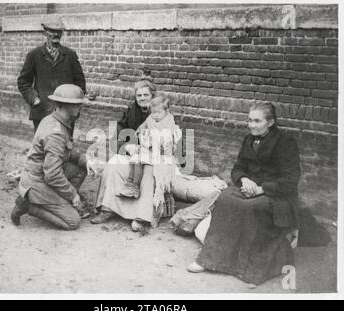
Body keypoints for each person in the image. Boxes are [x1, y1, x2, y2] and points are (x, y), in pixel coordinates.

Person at [187, 102, 301, 286]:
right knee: (224, 198)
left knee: (252, 207)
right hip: (250, 188)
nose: (252, 125)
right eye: (249, 120)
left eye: (257, 121)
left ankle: (252, 270)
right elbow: (238, 167)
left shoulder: (285, 143)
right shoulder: (249, 140)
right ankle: (210, 260)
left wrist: (262, 189)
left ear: (270, 122)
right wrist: (245, 180)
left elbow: (291, 178)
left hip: (277, 195)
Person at [10, 84, 95, 230]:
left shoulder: (56, 121)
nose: (80, 107)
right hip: (37, 182)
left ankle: (60, 202)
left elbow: (67, 151)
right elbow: (53, 175)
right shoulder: (55, 132)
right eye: (77, 105)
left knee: (81, 168)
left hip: (44, 173)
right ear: (66, 105)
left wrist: (85, 160)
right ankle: (28, 206)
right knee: (73, 221)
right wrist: (73, 195)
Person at [90, 79, 164, 231]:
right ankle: (107, 208)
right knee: (114, 164)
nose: (142, 98)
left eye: (146, 95)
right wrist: (127, 147)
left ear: (153, 96)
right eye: (139, 95)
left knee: (148, 169)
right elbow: (117, 138)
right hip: (133, 156)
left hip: (157, 158)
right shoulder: (130, 112)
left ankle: (141, 217)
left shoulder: (162, 112)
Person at [17, 16, 86, 132]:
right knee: (42, 144)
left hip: (66, 112)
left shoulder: (70, 55)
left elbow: (80, 82)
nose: (56, 34)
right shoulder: (34, 55)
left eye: (59, 31)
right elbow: (23, 82)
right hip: (42, 110)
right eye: (52, 31)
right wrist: (34, 99)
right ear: (45, 32)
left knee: (64, 144)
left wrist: (75, 102)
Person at [119, 96, 181, 206]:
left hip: (161, 152)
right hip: (150, 149)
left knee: (142, 162)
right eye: (153, 112)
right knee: (135, 161)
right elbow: (144, 125)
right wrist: (139, 131)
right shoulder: (151, 118)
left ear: (166, 111)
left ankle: (135, 186)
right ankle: (131, 183)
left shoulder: (169, 122)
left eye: (159, 112)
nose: (155, 115)